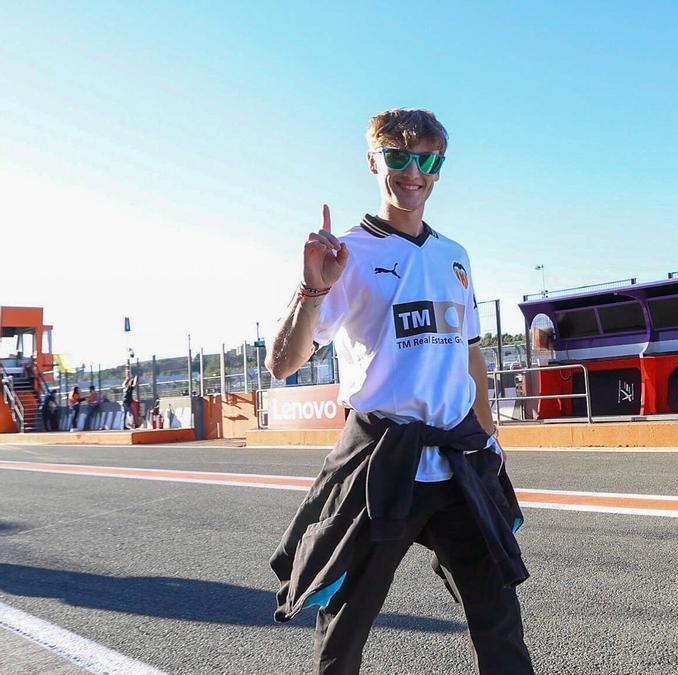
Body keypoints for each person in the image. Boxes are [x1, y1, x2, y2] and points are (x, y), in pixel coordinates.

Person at [266, 108, 533, 675]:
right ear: (374, 161)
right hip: (382, 464)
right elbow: (282, 364)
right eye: (398, 157)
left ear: (439, 169)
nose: (414, 171)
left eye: (428, 160)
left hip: (456, 464)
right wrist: (311, 289)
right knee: (345, 631)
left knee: (499, 619)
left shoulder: (454, 256)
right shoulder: (345, 253)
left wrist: (491, 440)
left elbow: (469, 355)